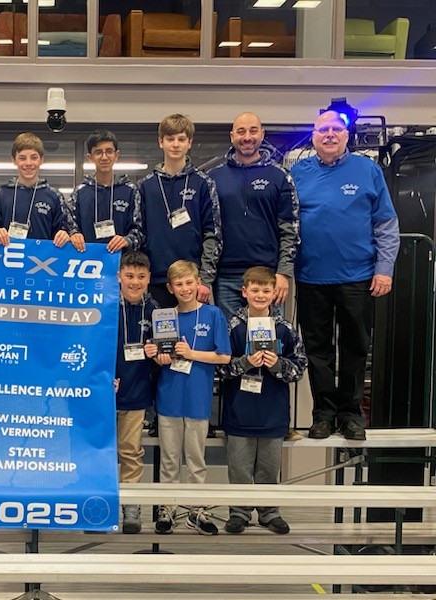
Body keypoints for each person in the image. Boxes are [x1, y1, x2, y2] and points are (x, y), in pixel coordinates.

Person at [291, 110, 400, 441]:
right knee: (317, 352)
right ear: (313, 136)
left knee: (355, 348)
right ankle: (324, 415)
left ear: (347, 135)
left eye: (336, 129)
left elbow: (386, 223)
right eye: (323, 129)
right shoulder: (298, 173)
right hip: (311, 277)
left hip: (358, 276)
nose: (330, 134)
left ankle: (351, 415)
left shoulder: (368, 170)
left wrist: (384, 269)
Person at [220, 266, 308, 535]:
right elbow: (220, 368)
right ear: (244, 292)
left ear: (274, 294)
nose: (260, 295)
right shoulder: (231, 327)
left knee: (269, 469)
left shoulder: (285, 329)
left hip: (273, 414)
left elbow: (299, 368)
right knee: (239, 469)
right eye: (255, 290)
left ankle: (269, 512)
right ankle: (239, 512)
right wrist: (245, 363)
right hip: (239, 412)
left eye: (266, 290)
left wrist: (277, 364)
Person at [153, 260, 231, 535]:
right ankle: (168, 509)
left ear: (199, 283)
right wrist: (159, 357)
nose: (185, 288)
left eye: (189, 283)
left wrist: (191, 354)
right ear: (170, 288)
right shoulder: (164, 316)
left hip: (198, 398)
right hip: (169, 397)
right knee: (169, 459)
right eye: (179, 284)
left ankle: (197, 510)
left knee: (196, 460)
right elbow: (161, 356)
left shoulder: (213, 314)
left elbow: (224, 356)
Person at [207, 112, 299, 323]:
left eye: (253, 131)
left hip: (267, 276)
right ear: (232, 136)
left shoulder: (280, 176)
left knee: (268, 339)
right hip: (226, 276)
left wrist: (284, 273)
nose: (247, 137)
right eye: (241, 132)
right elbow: (208, 229)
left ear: (262, 134)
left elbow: (291, 228)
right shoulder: (213, 177)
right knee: (230, 338)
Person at [138, 114, 221, 308]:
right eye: (170, 139)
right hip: (156, 279)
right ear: (161, 142)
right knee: (157, 328)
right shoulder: (145, 185)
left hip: (191, 281)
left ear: (189, 142)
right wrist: (142, 277)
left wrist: (205, 278)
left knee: (194, 328)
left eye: (181, 139)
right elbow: (139, 234)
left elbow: (213, 233)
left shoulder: (204, 183)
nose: (176, 144)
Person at [115, 251, 160, 534]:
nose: (135, 282)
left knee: (130, 452)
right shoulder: (105, 304)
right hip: (103, 392)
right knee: (102, 452)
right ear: (118, 276)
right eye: (129, 276)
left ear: (149, 278)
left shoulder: (156, 310)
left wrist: (158, 353)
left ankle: (130, 506)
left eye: (141, 277)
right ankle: (101, 505)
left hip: (137, 393)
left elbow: (166, 353)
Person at [0, 132, 73, 247]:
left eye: (34, 158)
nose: (28, 163)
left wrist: (65, 235)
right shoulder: (1, 196)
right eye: (22, 158)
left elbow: (66, 231)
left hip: (43, 257)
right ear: (14, 160)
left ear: (41, 160)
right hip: (9, 257)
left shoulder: (54, 196)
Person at [65, 129, 144, 254]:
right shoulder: (80, 193)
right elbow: (68, 226)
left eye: (109, 151)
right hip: (87, 259)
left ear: (116, 155)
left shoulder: (131, 191)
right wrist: (74, 234)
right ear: (90, 157)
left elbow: (141, 230)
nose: (104, 157)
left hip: (121, 261)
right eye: (98, 152)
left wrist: (127, 240)